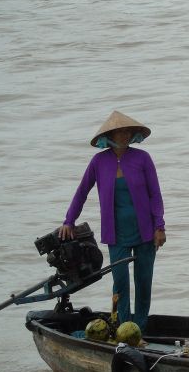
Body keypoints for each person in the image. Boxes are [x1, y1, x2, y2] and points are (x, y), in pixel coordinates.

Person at [59, 110, 166, 333]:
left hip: (145, 231)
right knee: (120, 284)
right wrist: (69, 220)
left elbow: (155, 194)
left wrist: (159, 226)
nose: (125, 135)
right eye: (120, 132)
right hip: (116, 234)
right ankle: (123, 326)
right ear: (109, 136)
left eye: (128, 131)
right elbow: (82, 192)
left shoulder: (143, 158)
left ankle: (139, 330)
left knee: (143, 283)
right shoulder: (99, 162)